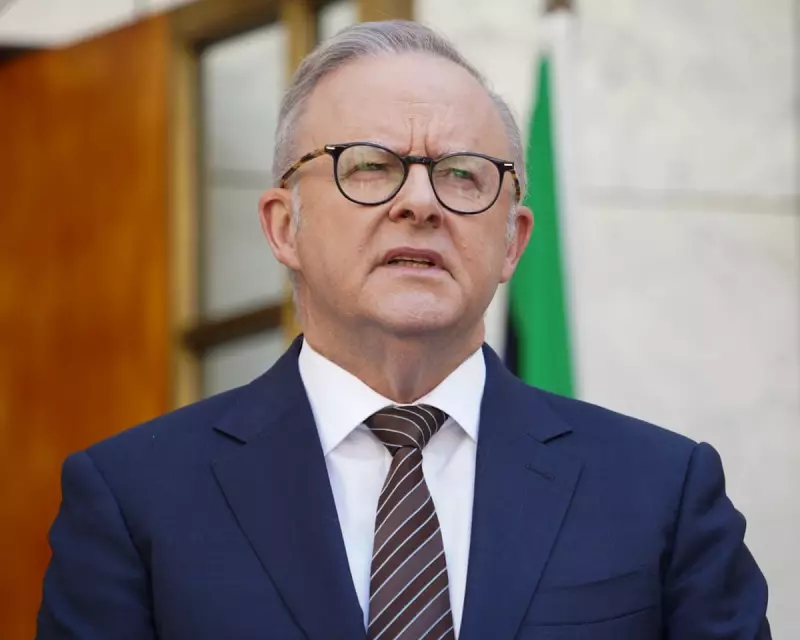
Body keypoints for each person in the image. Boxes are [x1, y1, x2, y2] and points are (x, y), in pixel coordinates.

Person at [37, 19, 770, 640]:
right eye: (369, 165)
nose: (420, 202)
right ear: (283, 226)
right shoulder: (134, 500)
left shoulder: (661, 490)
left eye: (463, 174)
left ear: (512, 242)